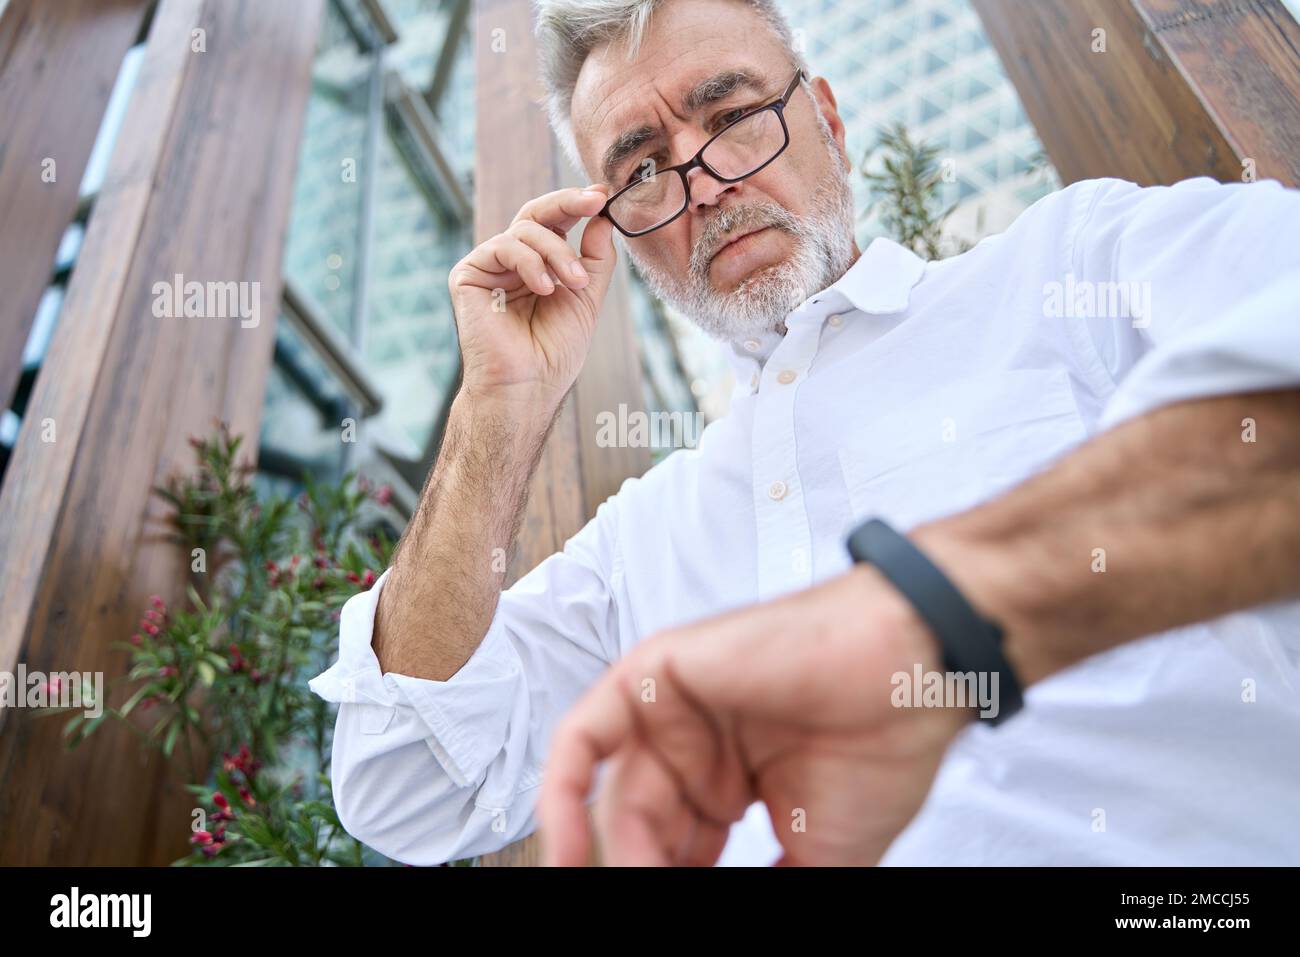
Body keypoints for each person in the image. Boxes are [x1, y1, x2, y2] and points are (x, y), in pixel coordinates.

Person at [309, 0, 1300, 866]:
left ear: (823, 117)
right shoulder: (640, 539)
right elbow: (410, 787)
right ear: (613, 228)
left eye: (733, 117)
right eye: (642, 168)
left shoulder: (1067, 267)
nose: (701, 183)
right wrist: (499, 405)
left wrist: (937, 615)